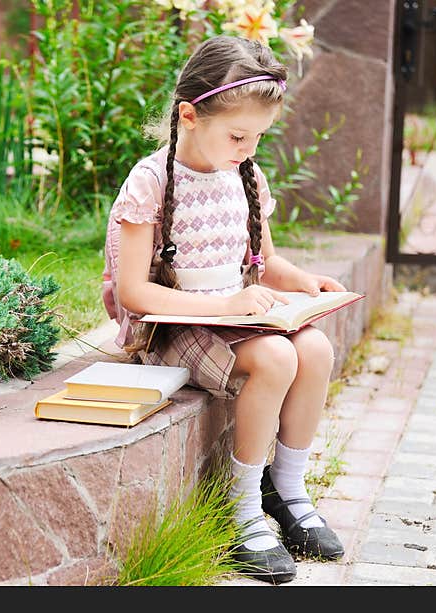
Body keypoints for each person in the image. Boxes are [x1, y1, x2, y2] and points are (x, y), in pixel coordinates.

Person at [102, 35, 347, 585]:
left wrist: (303, 282)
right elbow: (135, 292)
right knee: (277, 361)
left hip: (234, 317)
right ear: (189, 115)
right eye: (238, 135)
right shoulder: (153, 181)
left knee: (314, 347)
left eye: (258, 136)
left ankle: (287, 489)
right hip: (172, 324)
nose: (248, 148)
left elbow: (265, 258)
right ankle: (241, 511)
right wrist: (229, 302)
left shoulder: (244, 175)